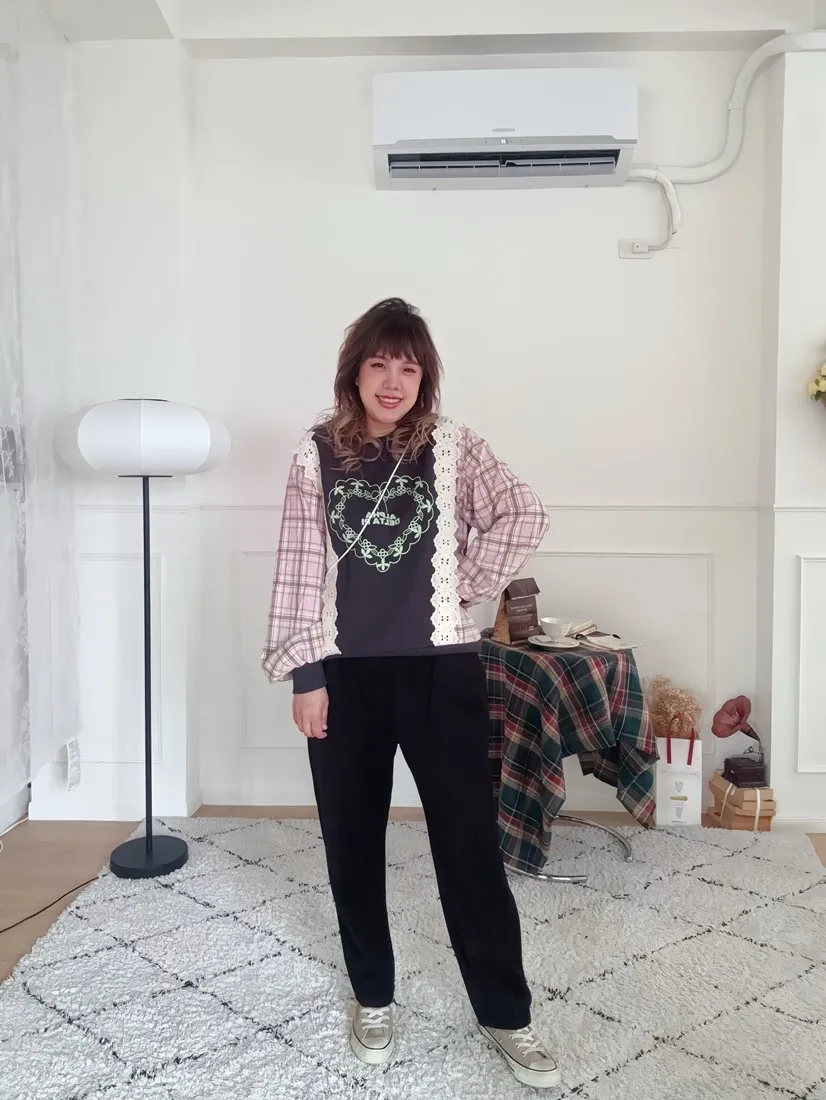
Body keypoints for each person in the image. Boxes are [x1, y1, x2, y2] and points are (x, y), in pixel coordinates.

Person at [262, 298, 559, 1090]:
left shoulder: (454, 446)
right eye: (378, 364)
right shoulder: (315, 454)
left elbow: (524, 511)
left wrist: (464, 581)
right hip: (344, 677)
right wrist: (306, 675)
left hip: (442, 673)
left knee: (469, 847)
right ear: (353, 371)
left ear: (425, 377)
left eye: (409, 367)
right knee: (351, 840)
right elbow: (297, 569)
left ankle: (506, 1013)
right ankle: (373, 996)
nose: (393, 382)